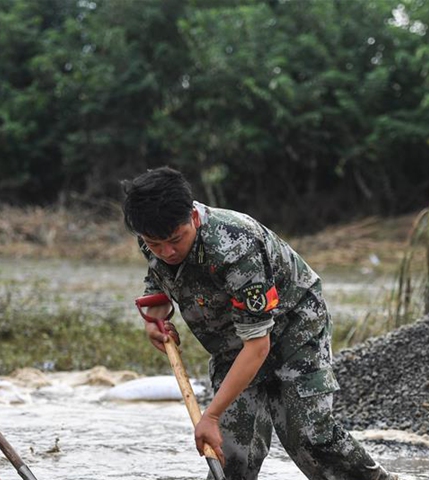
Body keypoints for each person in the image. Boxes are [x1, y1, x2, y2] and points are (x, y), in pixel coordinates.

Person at [122, 167, 397, 480]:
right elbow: (158, 276)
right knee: (231, 451)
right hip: (230, 337)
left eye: (176, 240)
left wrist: (210, 414)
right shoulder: (152, 237)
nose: (167, 252)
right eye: (155, 244)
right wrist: (154, 317)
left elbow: (258, 346)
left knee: (308, 437)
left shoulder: (236, 246)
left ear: (193, 218)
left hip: (292, 328)